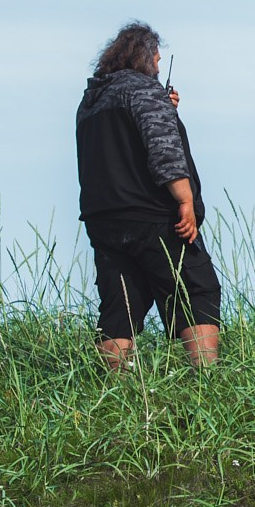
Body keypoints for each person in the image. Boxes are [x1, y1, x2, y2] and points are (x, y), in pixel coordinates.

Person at [75, 21, 222, 370]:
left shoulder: (91, 100)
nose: (158, 65)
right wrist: (185, 200)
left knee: (120, 306)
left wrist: (165, 109)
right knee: (197, 291)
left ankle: (114, 389)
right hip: (152, 217)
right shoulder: (143, 90)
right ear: (144, 57)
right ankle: (207, 381)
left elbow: (122, 143)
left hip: (104, 220)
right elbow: (164, 151)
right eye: (156, 58)